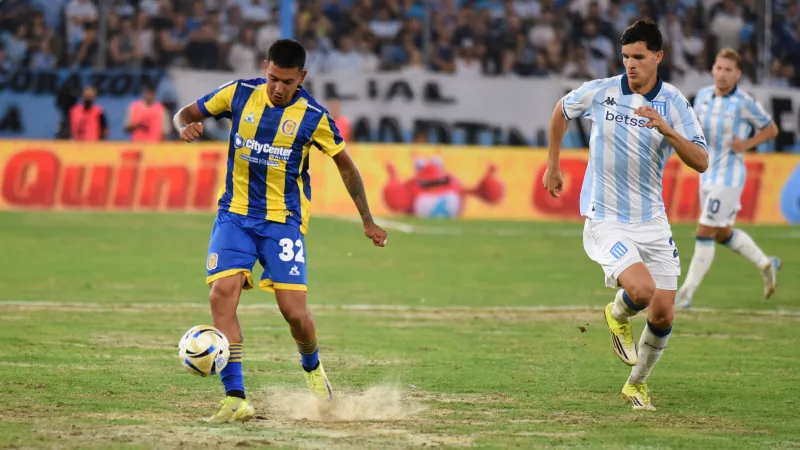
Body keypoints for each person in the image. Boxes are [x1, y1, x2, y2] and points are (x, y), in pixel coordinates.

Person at [172, 39, 387, 423]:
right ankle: (235, 397)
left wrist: (367, 219)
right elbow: (183, 113)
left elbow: (347, 166)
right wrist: (184, 127)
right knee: (222, 294)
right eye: (273, 78)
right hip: (234, 215)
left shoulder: (313, 117)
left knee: (294, 313)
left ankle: (313, 368)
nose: (277, 87)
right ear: (264, 67)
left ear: (301, 78)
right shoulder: (238, 93)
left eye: (286, 82)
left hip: (282, 222)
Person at [543, 20, 708, 411]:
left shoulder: (675, 103)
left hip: (652, 220)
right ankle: (617, 312)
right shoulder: (601, 92)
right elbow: (560, 111)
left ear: (658, 56)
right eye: (626, 57)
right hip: (606, 217)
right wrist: (553, 165)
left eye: (638, 57)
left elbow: (701, 160)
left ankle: (636, 385)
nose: (630, 64)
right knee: (642, 292)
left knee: (664, 314)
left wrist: (668, 131)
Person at [675, 48, 781, 309]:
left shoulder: (744, 102)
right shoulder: (701, 97)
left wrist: (746, 144)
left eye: (728, 70)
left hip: (730, 176)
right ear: (713, 69)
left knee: (704, 230)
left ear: (738, 74)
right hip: (706, 173)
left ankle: (684, 295)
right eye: (719, 68)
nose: (722, 74)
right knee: (721, 233)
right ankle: (766, 264)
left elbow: (771, 129)